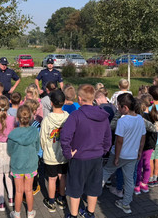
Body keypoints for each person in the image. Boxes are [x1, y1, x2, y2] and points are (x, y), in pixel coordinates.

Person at [60, 84, 111, 218]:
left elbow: (65, 136)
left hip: (79, 158)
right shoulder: (103, 116)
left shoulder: (75, 115)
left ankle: (73, 215)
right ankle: (90, 213)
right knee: (93, 188)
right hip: (96, 157)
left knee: (75, 188)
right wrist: (103, 150)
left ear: (79, 99)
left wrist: (67, 153)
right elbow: (108, 137)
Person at [102, 93, 146, 214]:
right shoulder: (140, 119)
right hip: (133, 155)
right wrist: (140, 152)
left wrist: (116, 157)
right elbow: (143, 138)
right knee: (129, 179)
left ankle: (93, 195)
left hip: (120, 155)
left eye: (118, 107)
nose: (117, 109)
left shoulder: (122, 121)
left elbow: (119, 141)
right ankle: (126, 204)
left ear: (125, 107)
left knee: (106, 172)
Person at [8, 105, 40, 218]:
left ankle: (17, 213)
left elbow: (10, 150)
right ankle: (30, 212)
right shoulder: (35, 132)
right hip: (31, 165)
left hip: (17, 165)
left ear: (17, 118)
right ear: (30, 117)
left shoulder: (12, 134)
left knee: (18, 191)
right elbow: (37, 148)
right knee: (29, 190)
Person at [40, 89, 69, 213]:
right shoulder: (68, 117)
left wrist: (43, 148)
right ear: (64, 102)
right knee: (62, 177)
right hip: (63, 154)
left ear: (51, 103)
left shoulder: (47, 119)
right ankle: (61, 199)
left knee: (51, 179)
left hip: (50, 154)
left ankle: (51, 202)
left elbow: (42, 137)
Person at [134, 94, 158, 194]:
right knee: (147, 163)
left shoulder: (140, 117)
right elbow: (156, 132)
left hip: (141, 145)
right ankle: (144, 184)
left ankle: (137, 185)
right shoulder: (154, 115)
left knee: (139, 165)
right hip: (150, 144)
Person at [0, 96, 15, 211]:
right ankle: (11, 198)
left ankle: (1, 202)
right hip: (9, 147)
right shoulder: (13, 119)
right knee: (8, 174)